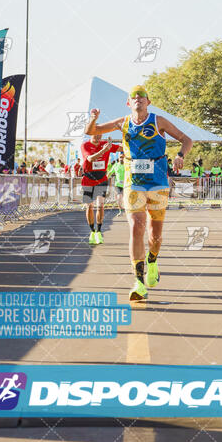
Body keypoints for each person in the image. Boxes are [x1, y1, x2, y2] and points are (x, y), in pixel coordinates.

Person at [85, 84, 193, 301]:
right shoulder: (122, 123)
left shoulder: (158, 121)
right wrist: (94, 118)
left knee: (155, 234)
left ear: (148, 101)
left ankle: (152, 261)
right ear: (128, 103)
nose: (138, 99)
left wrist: (181, 155)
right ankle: (139, 282)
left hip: (158, 182)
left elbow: (186, 139)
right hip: (133, 182)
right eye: (134, 97)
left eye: (142, 96)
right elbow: (91, 132)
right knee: (136, 227)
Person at [81, 135, 122, 245]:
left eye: (101, 133)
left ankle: (98, 231)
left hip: (101, 179)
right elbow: (90, 158)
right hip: (88, 179)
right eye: (96, 133)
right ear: (91, 134)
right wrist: (104, 150)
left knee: (100, 205)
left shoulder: (106, 144)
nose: (99, 136)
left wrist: (131, 140)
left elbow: (123, 148)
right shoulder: (85, 145)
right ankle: (92, 231)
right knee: (89, 206)